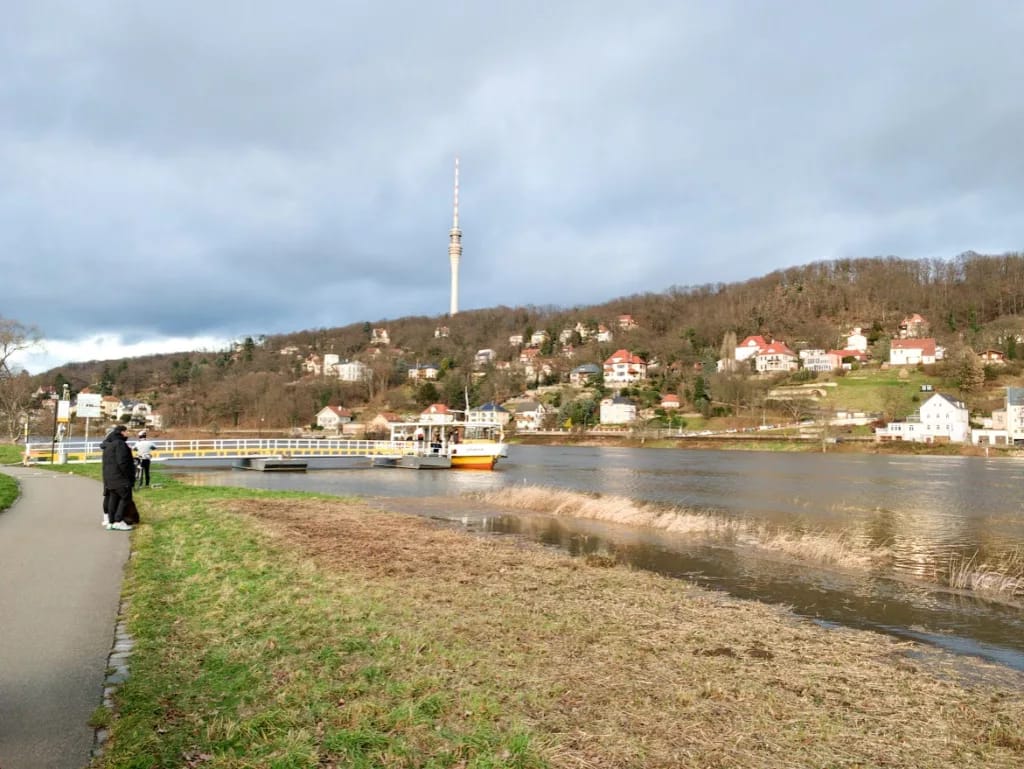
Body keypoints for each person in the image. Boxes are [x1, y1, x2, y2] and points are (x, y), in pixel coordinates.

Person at [99, 425, 135, 531]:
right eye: (127, 431)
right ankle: (118, 521)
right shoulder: (120, 444)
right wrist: (129, 477)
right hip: (120, 477)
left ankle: (110, 522)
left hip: (109, 477)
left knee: (113, 499)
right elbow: (123, 462)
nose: (128, 433)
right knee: (126, 498)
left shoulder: (108, 445)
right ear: (122, 432)